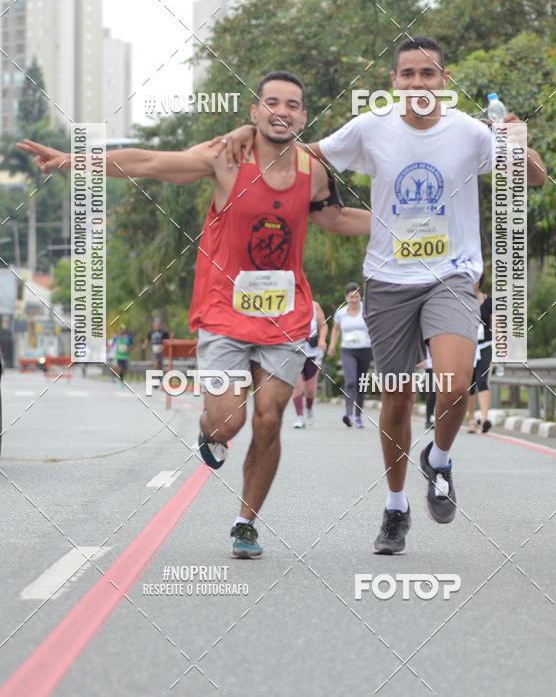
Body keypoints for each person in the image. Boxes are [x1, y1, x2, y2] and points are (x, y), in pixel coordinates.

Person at [18, 71, 370, 560]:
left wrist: (401, 227)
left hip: (285, 315)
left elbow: (334, 217)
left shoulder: (313, 171)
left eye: (292, 105)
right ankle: (211, 432)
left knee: (270, 419)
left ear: (304, 116)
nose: (281, 112)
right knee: (229, 423)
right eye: (271, 102)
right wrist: (75, 161)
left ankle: (246, 523)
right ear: (254, 111)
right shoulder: (226, 157)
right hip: (225, 311)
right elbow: (149, 162)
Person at [220, 36, 547, 556]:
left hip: (452, 275)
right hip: (389, 281)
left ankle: (439, 460)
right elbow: (303, 154)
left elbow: (535, 177)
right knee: (396, 395)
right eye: (408, 74)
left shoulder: (470, 132)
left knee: (454, 383)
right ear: (394, 81)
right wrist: (252, 132)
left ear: (444, 81)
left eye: (429, 74)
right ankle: (395, 507)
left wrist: (515, 143)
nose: (418, 83)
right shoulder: (371, 128)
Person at [327, 282, 372, 428]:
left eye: (357, 297)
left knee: (361, 383)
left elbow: (375, 327)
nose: (354, 300)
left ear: (360, 297)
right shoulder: (341, 313)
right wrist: (332, 345)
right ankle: (348, 414)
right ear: (346, 298)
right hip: (348, 350)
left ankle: (358, 416)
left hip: (365, 349)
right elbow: (335, 329)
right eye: (351, 297)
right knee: (351, 381)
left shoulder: (367, 310)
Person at [292, 300, 327, 428]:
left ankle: (309, 409)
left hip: (313, 352)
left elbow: (323, 325)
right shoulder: (289, 305)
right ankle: (300, 417)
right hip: (295, 352)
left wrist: (322, 340)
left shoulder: (314, 306)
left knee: (310, 389)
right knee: (298, 387)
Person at [466, 274, 493, 433]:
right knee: (470, 383)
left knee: (482, 381)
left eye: (474, 280)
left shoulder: (489, 301)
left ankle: (484, 419)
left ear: (479, 282)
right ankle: (471, 419)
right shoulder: (463, 301)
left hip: (485, 345)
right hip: (468, 346)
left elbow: (496, 324)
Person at [143, 318, 170, 394]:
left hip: (161, 352)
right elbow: (147, 340)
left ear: (160, 325)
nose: (156, 326)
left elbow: (167, 342)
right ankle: (155, 381)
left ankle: (159, 378)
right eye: (155, 324)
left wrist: (164, 347)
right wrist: (144, 345)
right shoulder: (151, 333)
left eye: (158, 324)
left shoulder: (164, 333)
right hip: (154, 351)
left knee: (160, 366)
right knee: (155, 365)